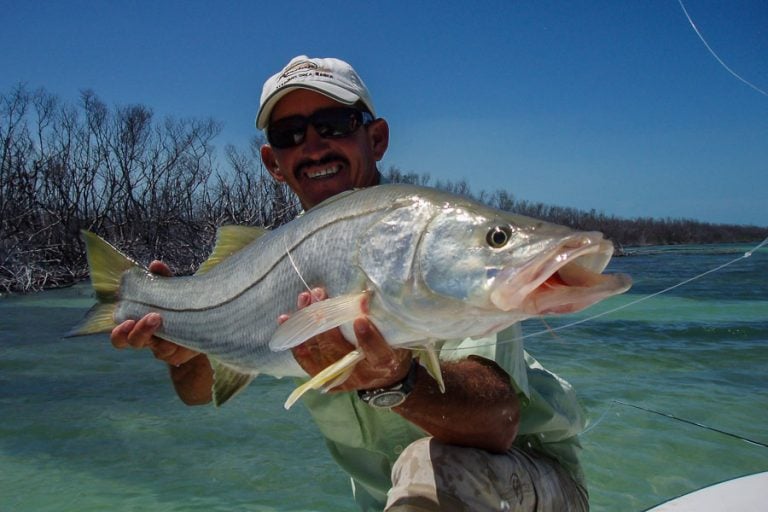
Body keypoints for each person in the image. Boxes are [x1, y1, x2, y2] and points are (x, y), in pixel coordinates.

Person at [111, 55, 589, 511]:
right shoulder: (274, 259)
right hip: (391, 504)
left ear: (376, 139)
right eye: (290, 134)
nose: (314, 145)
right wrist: (179, 341)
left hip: (528, 487)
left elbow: (496, 425)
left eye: (335, 124)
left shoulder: (435, 244)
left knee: (432, 466)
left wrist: (398, 379)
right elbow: (196, 393)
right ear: (272, 162)